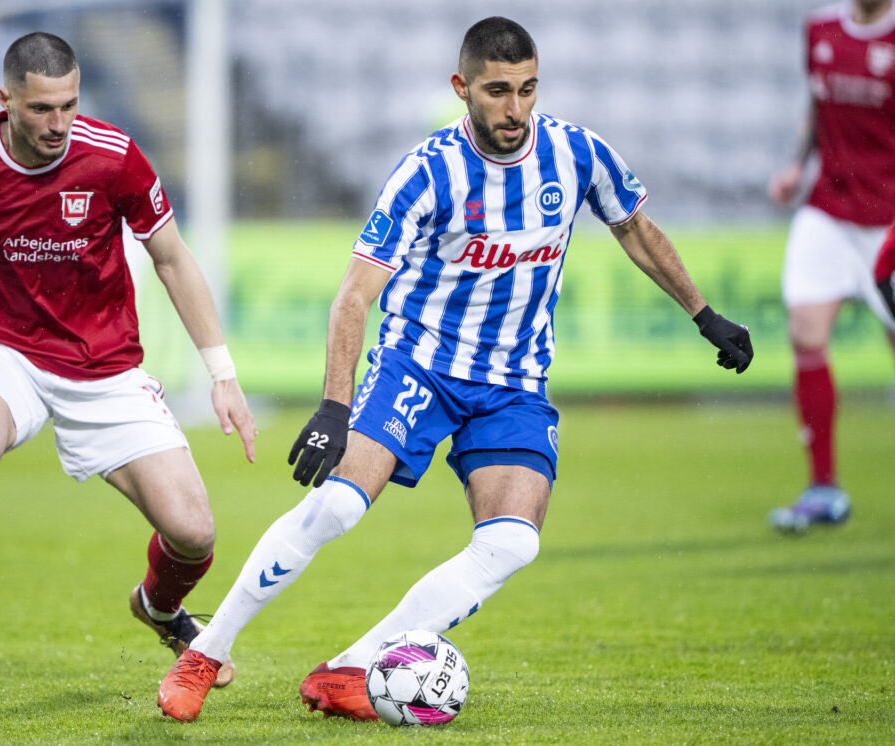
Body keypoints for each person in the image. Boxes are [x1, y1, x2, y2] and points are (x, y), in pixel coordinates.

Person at [156, 16, 753, 723]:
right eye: (498, 91)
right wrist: (333, 407)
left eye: (528, 89)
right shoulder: (427, 171)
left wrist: (703, 312)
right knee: (341, 504)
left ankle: (352, 667)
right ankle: (207, 651)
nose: (515, 109)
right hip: (421, 364)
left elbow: (634, 228)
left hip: (514, 383)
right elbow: (354, 295)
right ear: (461, 87)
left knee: (513, 542)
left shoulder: (576, 153)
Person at [0, 32, 257, 700]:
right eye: (41, 109)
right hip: (0, 348)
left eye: (69, 106)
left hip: (104, 364)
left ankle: (158, 608)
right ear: (5, 100)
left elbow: (172, 257)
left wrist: (221, 372)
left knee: (194, 534)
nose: (58, 125)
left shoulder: (113, 158)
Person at [766, 0, 895, 533]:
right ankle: (823, 489)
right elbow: (817, 107)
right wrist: (799, 163)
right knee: (805, 334)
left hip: (888, 218)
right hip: (830, 210)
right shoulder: (819, 28)